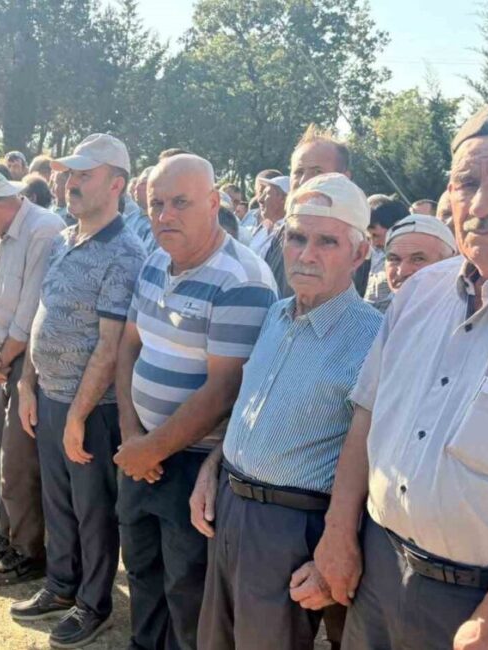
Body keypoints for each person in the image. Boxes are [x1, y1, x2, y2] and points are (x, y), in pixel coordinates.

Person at [316, 99, 488, 650]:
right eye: (465, 183)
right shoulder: (417, 293)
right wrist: (338, 531)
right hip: (377, 575)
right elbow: (365, 418)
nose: (481, 203)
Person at [191, 173, 381, 650]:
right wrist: (212, 468)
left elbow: (373, 463)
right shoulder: (276, 315)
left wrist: (332, 552)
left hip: (293, 527)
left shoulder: (376, 338)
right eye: (297, 237)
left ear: (360, 255)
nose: (306, 254)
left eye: (326, 241)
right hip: (231, 508)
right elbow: (250, 410)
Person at [114, 154, 278, 650]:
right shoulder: (154, 262)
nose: (165, 215)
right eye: (156, 204)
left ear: (213, 202)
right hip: (143, 452)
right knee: (142, 571)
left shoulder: (241, 279)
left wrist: (151, 449)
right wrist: (131, 436)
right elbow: (129, 346)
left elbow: (222, 390)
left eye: (180, 203)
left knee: (189, 591)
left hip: (192, 464)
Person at [13, 134, 146, 648]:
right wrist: (27, 383)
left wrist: (77, 415)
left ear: (116, 183)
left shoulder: (125, 251)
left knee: (93, 510)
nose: (71, 182)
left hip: (92, 408)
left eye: (84, 174)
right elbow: (43, 318)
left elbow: (110, 346)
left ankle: (93, 602)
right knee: (58, 499)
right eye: (70, 174)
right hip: (48, 394)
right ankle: (61, 585)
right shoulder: (65, 239)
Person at [0, 165, 65, 585]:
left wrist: (1, 356)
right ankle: (11, 535)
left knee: (22, 461)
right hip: (2, 357)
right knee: (4, 456)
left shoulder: (43, 229)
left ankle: (29, 550)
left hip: (26, 362)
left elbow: (31, 310)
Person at [264, 126, 353, 298]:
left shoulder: (349, 236)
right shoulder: (282, 232)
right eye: (298, 172)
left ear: (344, 178)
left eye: (317, 171)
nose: (304, 180)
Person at [368, 214, 458, 312]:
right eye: (394, 259)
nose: (402, 272)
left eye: (418, 259)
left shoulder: (465, 317)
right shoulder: (372, 319)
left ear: (448, 262)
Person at [361, 196, 408, 308]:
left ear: (396, 227)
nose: (373, 243)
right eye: (369, 237)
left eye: (376, 235)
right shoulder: (375, 253)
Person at [248, 175, 290, 257]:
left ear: (283, 199)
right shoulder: (262, 229)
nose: (260, 199)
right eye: (262, 193)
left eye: (266, 194)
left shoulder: (288, 234)